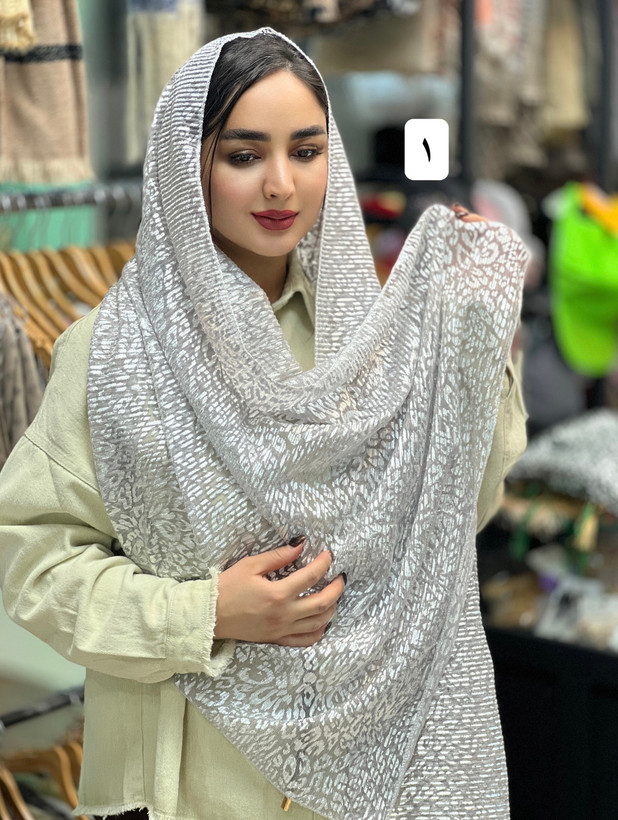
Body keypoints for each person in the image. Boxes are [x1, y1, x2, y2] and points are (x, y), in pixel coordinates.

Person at [0, 28, 528, 820]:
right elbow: (32, 562)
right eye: (245, 155)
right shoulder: (112, 353)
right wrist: (207, 614)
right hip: (186, 783)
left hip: (361, 777)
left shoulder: (373, 346)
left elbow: (448, 524)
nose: (281, 184)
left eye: (306, 151)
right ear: (187, 167)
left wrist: (473, 345)